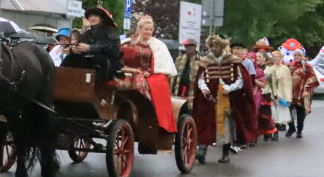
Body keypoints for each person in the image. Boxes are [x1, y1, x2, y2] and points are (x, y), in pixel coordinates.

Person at [192, 35, 258, 164]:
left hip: (227, 98)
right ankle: (202, 151)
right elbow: (201, 78)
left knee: (226, 125)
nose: (214, 49)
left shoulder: (232, 60)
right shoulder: (206, 60)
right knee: (205, 123)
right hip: (209, 98)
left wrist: (229, 88)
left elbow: (241, 80)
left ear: (222, 47)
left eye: (216, 47)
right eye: (212, 47)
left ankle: (225, 154)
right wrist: (203, 88)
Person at [120, 14, 178, 132]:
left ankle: (142, 115)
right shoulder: (128, 42)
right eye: (146, 29)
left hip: (148, 74)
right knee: (119, 84)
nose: (149, 32)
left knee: (139, 84)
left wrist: (148, 73)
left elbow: (160, 67)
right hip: (127, 71)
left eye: (151, 29)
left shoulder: (158, 46)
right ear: (139, 29)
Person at [61, 5, 122, 82]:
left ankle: (88, 85)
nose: (91, 18)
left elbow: (110, 46)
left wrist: (89, 48)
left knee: (94, 58)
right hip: (90, 59)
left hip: (109, 62)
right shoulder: (88, 33)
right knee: (71, 58)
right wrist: (74, 49)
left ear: (101, 18)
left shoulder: (111, 31)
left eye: (95, 16)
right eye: (90, 16)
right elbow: (80, 44)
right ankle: (61, 81)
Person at [260, 50, 292, 139]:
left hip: (281, 92)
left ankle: (277, 131)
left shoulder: (285, 69)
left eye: (278, 57)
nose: (277, 59)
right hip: (271, 93)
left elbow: (288, 83)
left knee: (279, 114)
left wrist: (287, 96)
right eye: (275, 58)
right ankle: (272, 131)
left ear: (281, 58)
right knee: (272, 114)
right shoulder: (270, 69)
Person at [287, 49, 319, 138]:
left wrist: (307, 90)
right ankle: (291, 127)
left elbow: (312, 78)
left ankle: (299, 130)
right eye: (295, 55)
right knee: (287, 111)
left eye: (298, 55)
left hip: (302, 93)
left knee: (300, 112)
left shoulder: (307, 67)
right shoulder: (290, 66)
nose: (297, 57)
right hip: (291, 93)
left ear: (302, 56)